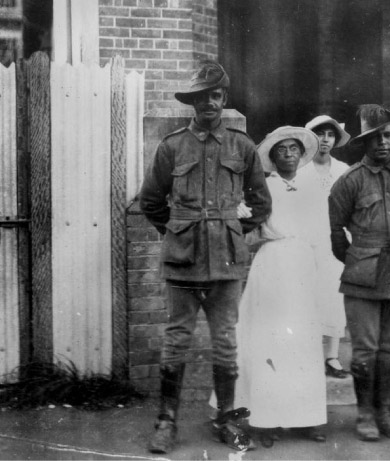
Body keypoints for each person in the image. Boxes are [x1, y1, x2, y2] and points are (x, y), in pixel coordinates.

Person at [139, 61, 272, 454]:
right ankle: (167, 421)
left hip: (226, 262)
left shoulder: (242, 147)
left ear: (223, 99)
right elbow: (150, 201)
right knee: (177, 338)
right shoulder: (172, 146)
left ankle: (226, 419)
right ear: (193, 103)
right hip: (182, 260)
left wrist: (230, 230)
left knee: (226, 341)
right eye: (201, 98)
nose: (208, 103)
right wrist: (179, 229)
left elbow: (261, 205)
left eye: (214, 96)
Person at [328, 105, 390, 442]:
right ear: (364, 142)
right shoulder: (349, 182)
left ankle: (386, 414)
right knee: (364, 350)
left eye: (387, 135)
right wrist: (362, 256)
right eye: (375, 138)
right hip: (363, 276)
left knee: (389, 350)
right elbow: (336, 234)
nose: (383, 143)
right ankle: (365, 415)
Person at [235, 126, 328, 448]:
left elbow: (321, 234)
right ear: (272, 158)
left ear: (301, 155)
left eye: (293, 149)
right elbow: (247, 228)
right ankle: (267, 417)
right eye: (281, 150)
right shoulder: (263, 187)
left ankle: (306, 418)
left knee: (302, 341)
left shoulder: (313, 187)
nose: (288, 154)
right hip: (273, 264)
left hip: (303, 266)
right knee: (272, 340)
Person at [298, 115, 351, 379]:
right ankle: (307, 355)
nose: (325, 140)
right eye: (320, 134)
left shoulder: (343, 170)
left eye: (330, 135)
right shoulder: (299, 168)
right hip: (306, 242)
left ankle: (332, 357)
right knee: (308, 296)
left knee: (333, 296)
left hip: (333, 241)